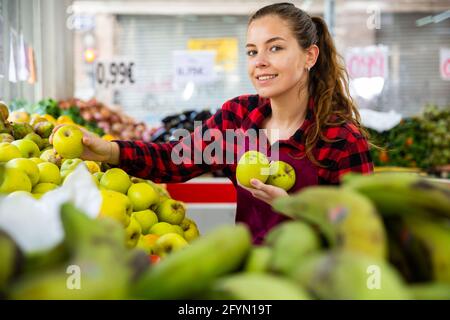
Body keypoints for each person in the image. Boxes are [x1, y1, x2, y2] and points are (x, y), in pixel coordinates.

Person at [52, 2, 373, 244]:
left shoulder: (340, 139)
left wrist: (298, 212)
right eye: (251, 51)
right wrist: (108, 151)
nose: (259, 61)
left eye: (275, 48)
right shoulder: (238, 119)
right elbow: (173, 159)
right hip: (249, 278)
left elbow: (361, 232)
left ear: (310, 56)